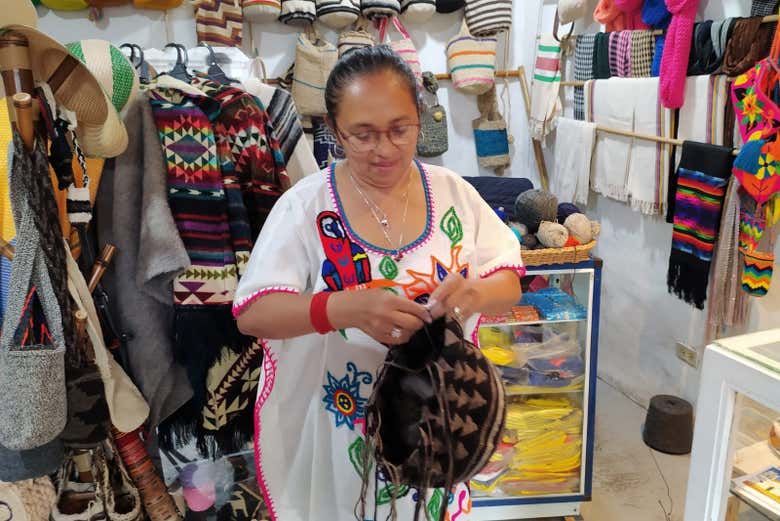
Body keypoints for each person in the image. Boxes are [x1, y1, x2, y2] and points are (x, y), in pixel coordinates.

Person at [233, 45, 524, 521]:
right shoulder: (306, 206)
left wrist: (475, 293)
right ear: (333, 130)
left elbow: (507, 282)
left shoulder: (455, 194)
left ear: (419, 120)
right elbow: (252, 313)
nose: (384, 149)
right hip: (343, 423)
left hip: (439, 421)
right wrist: (344, 309)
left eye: (399, 129)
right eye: (363, 135)